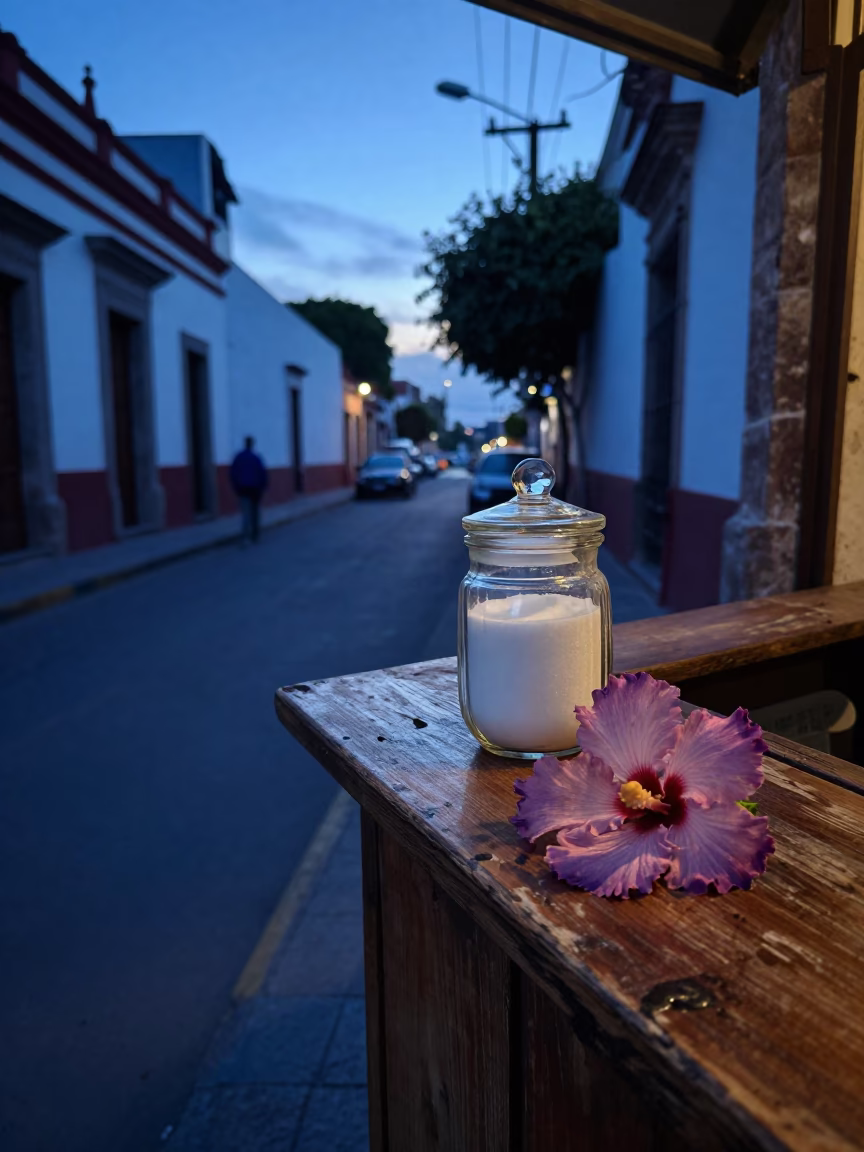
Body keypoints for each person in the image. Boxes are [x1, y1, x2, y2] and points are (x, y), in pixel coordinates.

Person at [230, 436, 269, 543]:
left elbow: (233, 473)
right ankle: (255, 535)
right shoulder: (256, 458)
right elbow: (262, 474)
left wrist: (235, 487)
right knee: (255, 512)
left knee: (245, 513)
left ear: (244, 444)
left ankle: (245, 536)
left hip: (242, 489)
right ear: (252, 445)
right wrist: (264, 487)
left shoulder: (238, 457)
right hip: (255, 490)